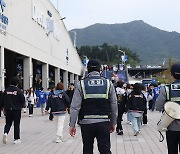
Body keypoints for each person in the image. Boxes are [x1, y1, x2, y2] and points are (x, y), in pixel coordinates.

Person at [69, 59, 118, 154]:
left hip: (86, 123)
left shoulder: (81, 84)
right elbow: (114, 104)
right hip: (103, 122)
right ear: (100, 70)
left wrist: (72, 125)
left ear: (88, 70)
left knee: (87, 149)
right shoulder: (108, 83)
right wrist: (113, 122)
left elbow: (75, 107)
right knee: (105, 150)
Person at [156, 63, 180, 154]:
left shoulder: (166, 89)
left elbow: (158, 107)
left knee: (172, 151)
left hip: (171, 126)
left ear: (171, 74)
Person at [1, 77, 25, 144]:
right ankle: (16, 139)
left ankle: (5, 133)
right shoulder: (18, 91)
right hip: (16, 110)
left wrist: (3, 108)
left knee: (8, 123)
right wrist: (21, 107)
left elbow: (2, 100)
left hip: (8, 109)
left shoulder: (6, 91)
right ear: (17, 83)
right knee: (16, 124)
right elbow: (22, 100)